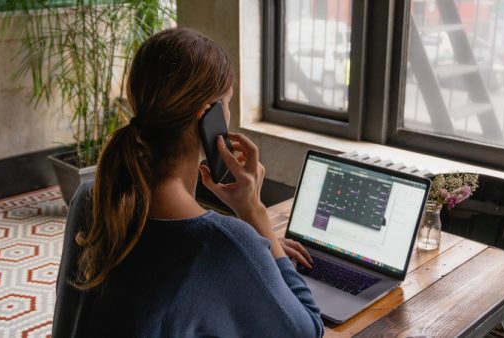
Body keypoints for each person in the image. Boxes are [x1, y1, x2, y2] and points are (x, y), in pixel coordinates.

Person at [51, 27, 324, 338]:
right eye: (229, 102)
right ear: (209, 116)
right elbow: (306, 332)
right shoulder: (223, 244)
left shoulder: (92, 198)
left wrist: (258, 256)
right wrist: (255, 214)